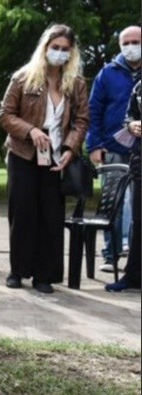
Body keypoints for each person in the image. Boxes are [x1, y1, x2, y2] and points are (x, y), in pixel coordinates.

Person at [0, 24, 89, 295]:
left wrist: (71, 149)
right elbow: (5, 115)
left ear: (71, 54)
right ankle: (18, 270)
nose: (59, 53)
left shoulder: (76, 84)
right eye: (55, 48)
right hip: (24, 152)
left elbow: (82, 120)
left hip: (57, 154)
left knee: (51, 215)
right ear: (45, 48)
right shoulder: (23, 78)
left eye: (65, 50)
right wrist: (31, 130)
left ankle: (44, 274)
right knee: (23, 211)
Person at [86, 26, 141, 272]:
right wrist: (94, 145)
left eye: (136, 41)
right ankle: (111, 255)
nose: (131, 46)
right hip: (112, 147)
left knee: (136, 203)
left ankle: (133, 258)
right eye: (126, 42)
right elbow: (93, 112)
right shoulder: (107, 73)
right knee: (113, 203)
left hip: (139, 149)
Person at [107, 80, 142, 292]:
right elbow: (129, 116)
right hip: (140, 163)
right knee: (138, 222)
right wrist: (131, 125)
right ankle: (134, 275)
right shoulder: (139, 87)